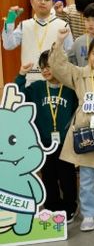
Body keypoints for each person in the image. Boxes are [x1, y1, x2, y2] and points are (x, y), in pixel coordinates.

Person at [48, 27, 94, 232]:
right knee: (87, 176)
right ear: (88, 55)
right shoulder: (79, 74)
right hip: (85, 127)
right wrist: (59, 40)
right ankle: (89, 214)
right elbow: (57, 66)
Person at [15, 51, 78, 223]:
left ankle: (70, 206)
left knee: (67, 176)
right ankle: (52, 207)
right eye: (42, 68)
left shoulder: (70, 88)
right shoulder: (37, 88)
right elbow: (18, 94)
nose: (45, 71)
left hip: (65, 142)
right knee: (48, 176)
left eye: (49, 66)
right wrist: (21, 75)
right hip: (44, 142)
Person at [2, 0, 73, 85]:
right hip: (29, 81)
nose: (42, 2)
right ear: (32, 2)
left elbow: (70, 53)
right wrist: (9, 22)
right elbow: (8, 45)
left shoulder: (63, 25)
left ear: (53, 3)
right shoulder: (24, 25)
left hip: (55, 81)